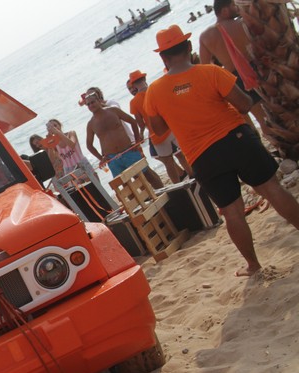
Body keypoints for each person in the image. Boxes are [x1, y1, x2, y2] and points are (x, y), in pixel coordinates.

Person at [144, 25, 299, 276]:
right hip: (236, 138)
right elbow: (245, 104)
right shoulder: (211, 72)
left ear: (163, 57)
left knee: (232, 212)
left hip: (203, 156)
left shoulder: (154, 91)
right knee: (272, 189)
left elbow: (158, 129)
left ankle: (253, 265)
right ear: (189, 48)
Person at [199, 0, 268, 133]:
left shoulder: (205, 36)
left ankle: (275, 148)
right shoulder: (242, 23)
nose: (236, 8)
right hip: (257, 69)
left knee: (261, 119)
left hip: (236, 79)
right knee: (275, 112)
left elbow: (205, 67)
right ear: (224, 10)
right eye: (233, 6)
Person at [83, 92, 163, 187]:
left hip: (128, 150)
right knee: (126, 185)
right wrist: (101, 158)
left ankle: (168, 193)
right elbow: (89, 145)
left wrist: (137, 142)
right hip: (112, 159)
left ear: (99, 101)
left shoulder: (113, 111)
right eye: (88, 104)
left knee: (148, 174)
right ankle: (144, 201)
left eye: (93, 102)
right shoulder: (91, 124)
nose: (91, 105)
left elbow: (133, 122)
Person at [127, 70, 192, 183]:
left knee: (168, 162)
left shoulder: (134, 102)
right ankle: (193, 175)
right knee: (181, 155)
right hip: (170, 127)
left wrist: (141, 134)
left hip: (156, 134)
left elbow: (141, 124)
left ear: (133, 85)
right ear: (144, 79)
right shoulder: (155, 89)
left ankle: (178, 186)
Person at [44, 119, 97, 185]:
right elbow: (51, 159)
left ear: (60, 125)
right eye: (52, 127)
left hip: (82, 163)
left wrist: (58, 133)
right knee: (80, 192)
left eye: (55, 125)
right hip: (69, 169)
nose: (54, 128)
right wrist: (50, 142)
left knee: (97, 185)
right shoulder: (54, 142)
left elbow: (72, 144)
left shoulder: (71, 133)